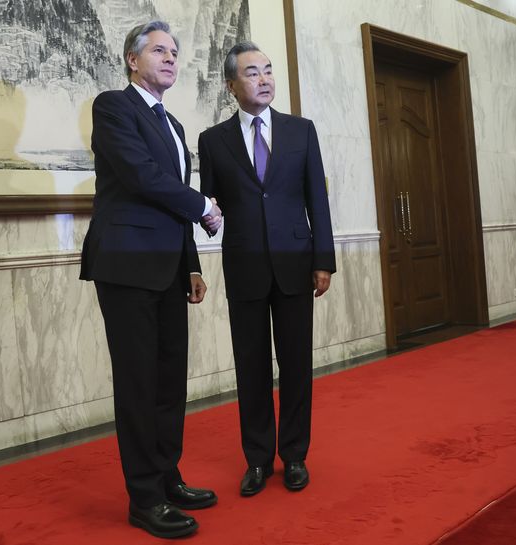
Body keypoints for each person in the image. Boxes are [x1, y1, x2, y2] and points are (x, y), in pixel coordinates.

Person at [79, 21, 222, 539]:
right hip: (125, 264)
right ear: (132, 60)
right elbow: (142, 177)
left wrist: (191, 264)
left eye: (175, 52)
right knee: (139, 384)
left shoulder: (176, 126)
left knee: (168, 382)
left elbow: (169, 196)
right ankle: (143, 498)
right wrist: (204, 206)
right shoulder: (112, 107)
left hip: (167, 265)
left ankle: (167, 477)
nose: (170, 58)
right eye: (159, 50)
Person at [198, 42, 336, 497]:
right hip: (245, 266)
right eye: (252, 73)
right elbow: (211, 205)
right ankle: (257, 459)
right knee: (251, 367)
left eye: (268, 71)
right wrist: (207, 217)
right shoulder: (213, 140)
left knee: (296, 364)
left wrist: (323, 260)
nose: (264, 79)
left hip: (297, 263)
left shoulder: (302, 131)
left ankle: (294, 455)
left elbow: (317, 197)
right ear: (231, 85)